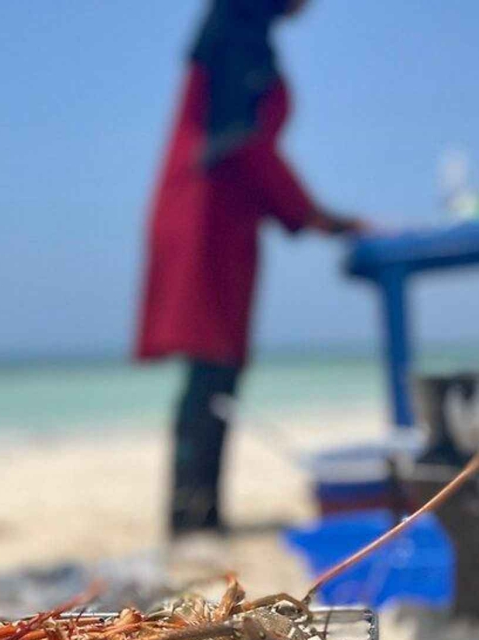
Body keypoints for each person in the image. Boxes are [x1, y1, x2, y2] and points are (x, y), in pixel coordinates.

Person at [135, 0, 363, 537]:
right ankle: (192, 520)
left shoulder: (238, 35)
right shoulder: (238, 40)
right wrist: (315, 215)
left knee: (216, 371)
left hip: (222, 218)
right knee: (212, 370)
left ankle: (200, 515)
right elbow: (244, 145)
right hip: (207, 220)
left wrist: (310, 214)